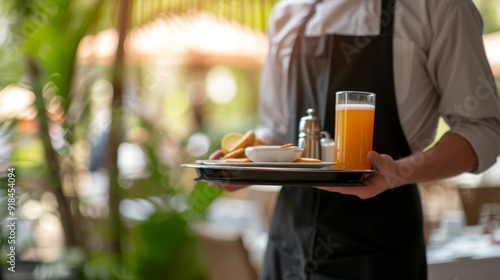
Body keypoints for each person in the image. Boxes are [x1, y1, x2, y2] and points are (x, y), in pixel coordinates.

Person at [210, 0, 500, 279]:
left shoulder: (439, 8)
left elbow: (484, 129)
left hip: (379, 249)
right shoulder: (288, 13)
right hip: (287, 246)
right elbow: (274, 130)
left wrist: (399, 172)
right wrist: (243, 162)